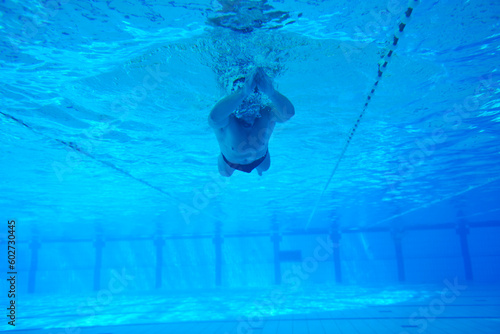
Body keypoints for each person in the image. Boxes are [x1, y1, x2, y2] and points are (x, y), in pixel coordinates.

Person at [208, 68, 295, 176]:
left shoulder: (265, 112)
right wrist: (242, 93)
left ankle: (259, 171)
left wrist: (271, 92)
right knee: (225, 174)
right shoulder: (228, 117)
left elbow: (289, 114)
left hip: (259, 158)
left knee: (264, 168)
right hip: (232, 161)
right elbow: (213, 119)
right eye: (243, 101)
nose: (248, 106)